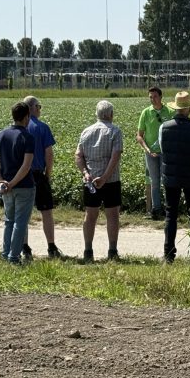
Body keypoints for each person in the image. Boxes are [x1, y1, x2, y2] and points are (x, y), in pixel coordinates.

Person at [74, 100, 123, 263]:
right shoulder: (115, 131)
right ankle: (112, 250)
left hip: (90, 181)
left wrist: (86, 173)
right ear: (111, 114)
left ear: (97, 114)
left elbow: (78, 156)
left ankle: (88, 251)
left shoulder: (86, 131)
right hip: (111, 181)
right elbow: (115, 157)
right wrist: (105, 177)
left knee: (90, 215)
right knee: (113, 215)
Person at [0, 102, 35, 264]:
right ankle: (14, 257)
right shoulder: (27, 137)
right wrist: (13, 182)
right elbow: (26, 165)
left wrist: (1, 180)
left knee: (9, 221)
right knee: (20, 222)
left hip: (5, 187)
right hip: (23, 186)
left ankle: (5, 252)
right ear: (26, 117)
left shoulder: (0, 135)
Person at [159, 91, 190, 263]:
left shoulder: (164, 127)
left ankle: (168, 254)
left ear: (176, 108)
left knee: (171, 214)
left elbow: (163, 149)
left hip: (171, 177)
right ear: (189, 108)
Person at [22, 96, 62, 260]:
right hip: (38, 174)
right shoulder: (42, 127)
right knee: (46, 212)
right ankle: (51, 247)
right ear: (33, 108)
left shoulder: (20, 127)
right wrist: (48, 173)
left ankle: (24, 247)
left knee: (23, 213)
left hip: (22, 176)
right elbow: (49, 154)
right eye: (39, 106)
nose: (40, 109)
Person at [136, 86, 173, 220]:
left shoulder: (170, 112)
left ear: (161, 97)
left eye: (155, 96)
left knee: (167, 181)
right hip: (150, 153)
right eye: (150, 97)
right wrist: (147, 149)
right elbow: (139, 135)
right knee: (155, 181)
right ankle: (156, 210)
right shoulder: (146, 113)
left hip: (166, 153)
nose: (153, 99)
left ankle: (170, 209)